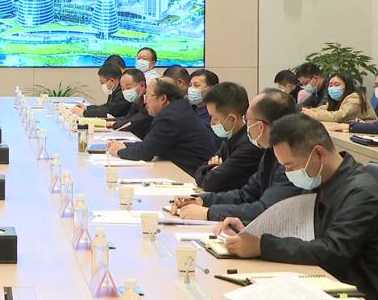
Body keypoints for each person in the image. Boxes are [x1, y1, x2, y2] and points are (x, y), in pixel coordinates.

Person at [216, 114, 378, 300]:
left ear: (319, 154)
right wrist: (249, 228)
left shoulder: (362, 193)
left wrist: (261, 246)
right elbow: (297, 223)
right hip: (325, 278)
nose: (289, 173)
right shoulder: (321, 178)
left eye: (291, 166)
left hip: (363, 290)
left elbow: (332, 251)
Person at [171, 88, 301, 221]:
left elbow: (265, 211)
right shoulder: (270, 151)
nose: (246, 125)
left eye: (247, 119)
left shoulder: (292, 159)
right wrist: (200, 200)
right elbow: (246, 194)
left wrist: (208, 213)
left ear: (260, 126)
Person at [106, 78, 215, 176]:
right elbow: (151, 144)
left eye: (148, 96)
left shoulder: (170, 117)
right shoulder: (178, 109)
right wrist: (125, 145)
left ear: (163, 98)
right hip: (187, 169)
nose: (145, 101)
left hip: (191, 175)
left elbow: (145, 152)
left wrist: (119, 151)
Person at [193, 83, 262, 192]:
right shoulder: (231, 137)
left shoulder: (249, 146)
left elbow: (211, 182)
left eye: (215, 118)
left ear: (232, 119)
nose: (211, 123)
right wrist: (212, 168)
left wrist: (213, 169)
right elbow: (200, 170)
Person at [301, 73, 376, 123]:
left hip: (369, 131)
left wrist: (312, 114)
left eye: (337, 85)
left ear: (347, 86)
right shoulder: (336, 100)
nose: (333, 88)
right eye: (330, 85)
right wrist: (308, 111)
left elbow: (339, 116)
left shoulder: (355, 97)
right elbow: (324, 108)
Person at [108, 68, 153, 139]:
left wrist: (112, 124)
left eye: (128, 88)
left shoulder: (150, 102)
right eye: (123, 89)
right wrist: (106, 121)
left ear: (142, 85)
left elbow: (133, 123)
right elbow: (128, 118)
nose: (125, 92)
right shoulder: (137, 100)